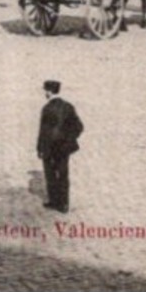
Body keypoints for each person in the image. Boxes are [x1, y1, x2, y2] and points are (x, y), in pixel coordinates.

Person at [37, 80, 84, 213]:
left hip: (50, 148)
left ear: (49, 91)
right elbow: (79, 126)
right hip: (64, 149)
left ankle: (54, 201)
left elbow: (43, 132)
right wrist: (68, 140)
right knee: (63, 175)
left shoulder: (47, 109)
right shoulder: (68, 107)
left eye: (45, 90)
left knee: (51, 175)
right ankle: (64, 205)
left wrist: (40, 149)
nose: (45, 93)